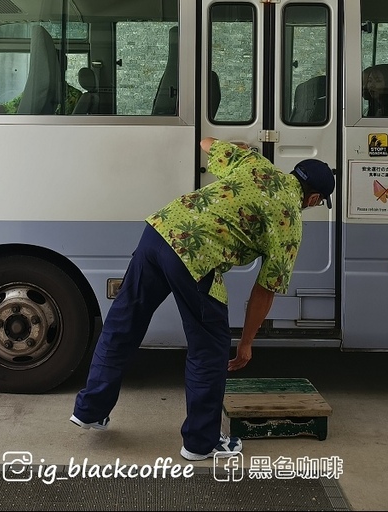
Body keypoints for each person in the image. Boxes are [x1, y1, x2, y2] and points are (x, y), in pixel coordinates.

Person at [70, 138, 334, 461]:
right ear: (315, 198)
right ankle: (201, 442)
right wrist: (246, 342)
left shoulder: (255, 164)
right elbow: (266, 289)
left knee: (124, 322)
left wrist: (240, 146)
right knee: (210, 347)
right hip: (195, 254)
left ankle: (89, 409)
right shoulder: (290, 220)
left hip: (160, 230)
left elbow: (206, 142)